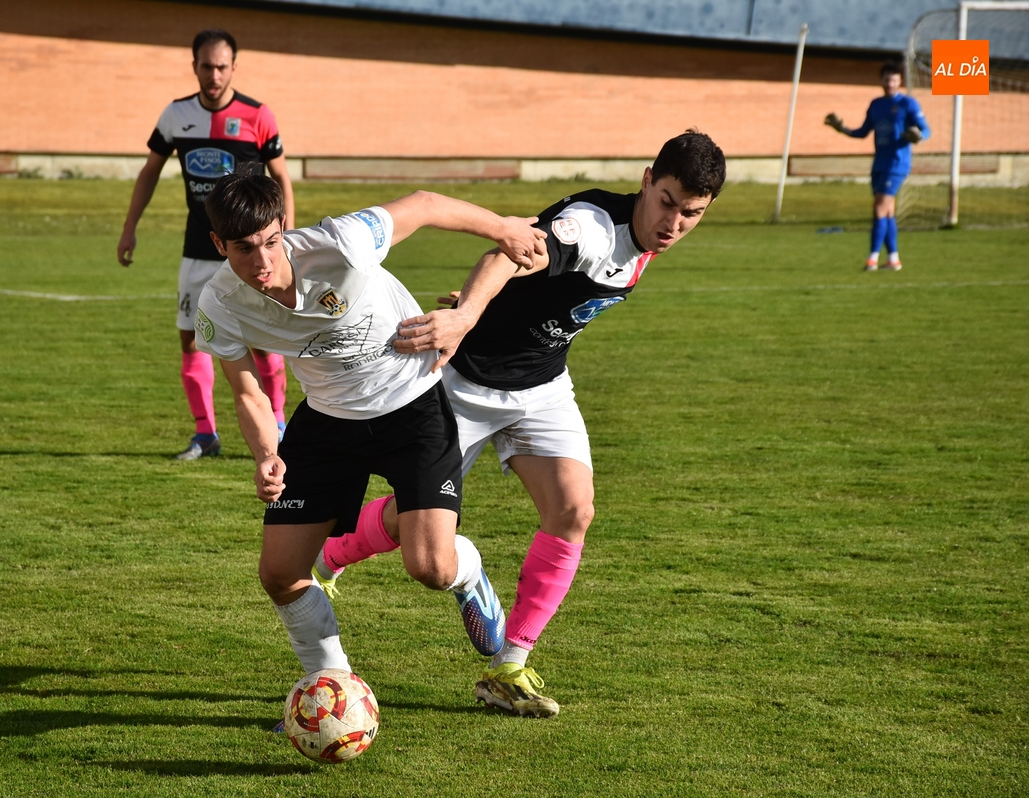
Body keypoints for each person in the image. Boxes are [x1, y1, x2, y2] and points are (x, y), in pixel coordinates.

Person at [314, 130, 726, 717]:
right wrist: (467, 315)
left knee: (574, 510)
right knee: (423, 545)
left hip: (542, 388)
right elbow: (509, 252)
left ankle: (509, 668)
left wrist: (496, 304)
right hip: (465, 384)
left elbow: (541, 278)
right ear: (646, 181)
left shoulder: (644, 236)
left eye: (692, 214)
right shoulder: (591, 227)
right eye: (667, 202)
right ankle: (333, 554)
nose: (674, 223)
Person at [192, 171, 547, 685]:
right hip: (327, 420)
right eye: (244, 249)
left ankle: (468, 573)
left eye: (271, 242)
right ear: (218, 244)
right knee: (279, 573)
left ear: (283, 226)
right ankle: (332, 687)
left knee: (431, 568)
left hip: (412, 405)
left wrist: (502, 229)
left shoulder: (342, 242)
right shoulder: (218, 303)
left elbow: (423, 204)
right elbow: (248, 392)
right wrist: (267, 453)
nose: (262, 261)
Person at [117, 28, 295, 460]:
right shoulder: (176, 115)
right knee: (192, 340)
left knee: (263, 340)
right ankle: (205, 435)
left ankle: (278, 426)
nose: (214, 75)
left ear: (233, 67)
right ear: (194, 66)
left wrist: (283, 240)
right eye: (206, 66)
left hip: (249, 252)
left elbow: (281, 177)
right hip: (198, 249)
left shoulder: (258, 115)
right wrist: (129, 227)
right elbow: (150, 171)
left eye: (221, 67)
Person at [825, 61, 930, 272]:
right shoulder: (875, 104)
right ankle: (893, 260)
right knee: (887, 212)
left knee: (879, 208)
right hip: (879, 164)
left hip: (897, 164)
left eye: (894, 80)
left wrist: (918, 136)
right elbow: (862, 132)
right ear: (881, 81)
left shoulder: (908, 103)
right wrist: (842, 129)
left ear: (900, 81)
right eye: (887, 79)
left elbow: (926, 130)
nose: (890, 83)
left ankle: (872, 259)